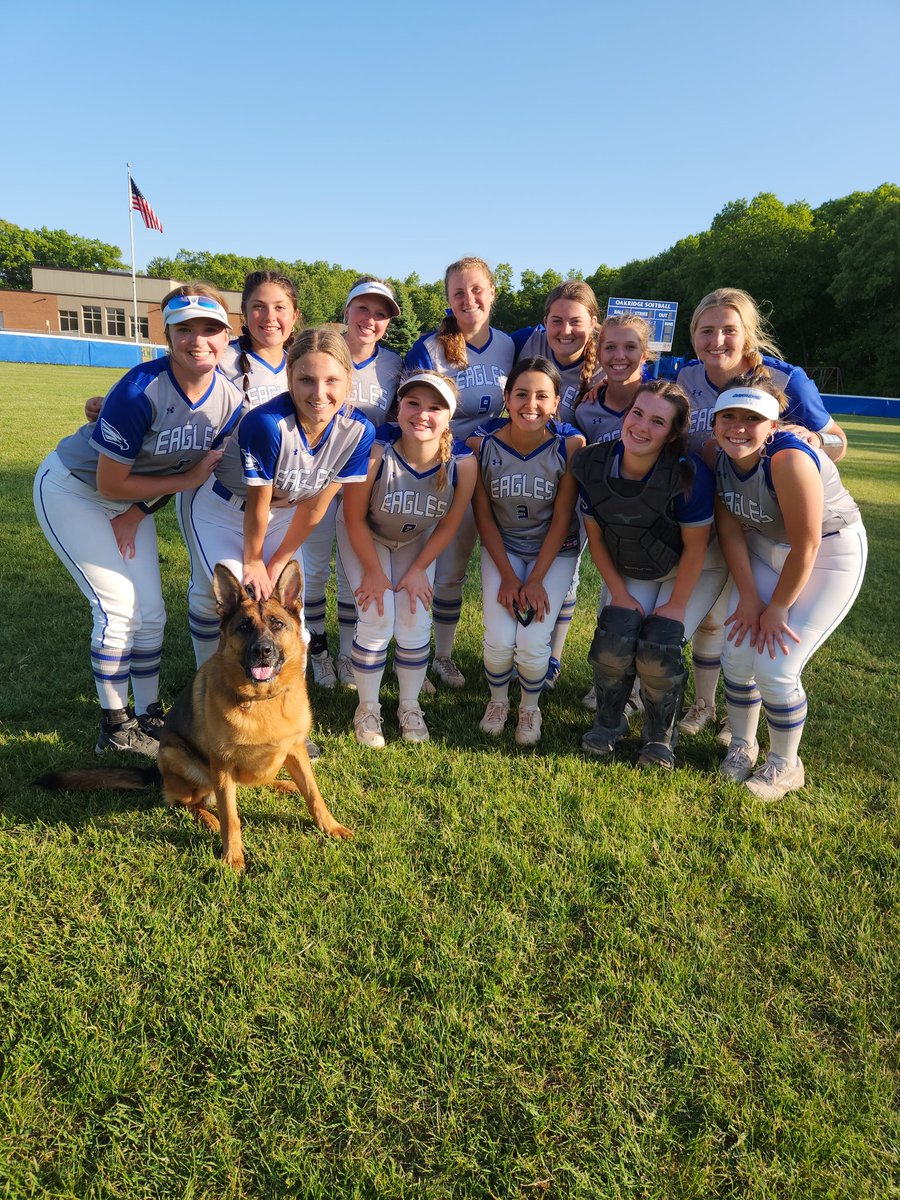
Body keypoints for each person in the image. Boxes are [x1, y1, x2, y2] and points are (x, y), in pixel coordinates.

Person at [34, 285, 242, 755]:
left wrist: (138, 511)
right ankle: (114, 727)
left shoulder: (229, 400)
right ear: (167, 335)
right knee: (117, 608)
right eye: (184, 329)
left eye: (210, 328)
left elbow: (173, 468)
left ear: (226, 335)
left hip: (132, 500)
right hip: (74, 490)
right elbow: (112, 483)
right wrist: (185, 481)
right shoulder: (139, 390)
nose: (198, 340)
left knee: (151, 612)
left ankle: (148, 715)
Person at [676, 287, 848, 744]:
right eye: (706, 330)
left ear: (748, 334)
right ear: (693, 335)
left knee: (735, 621)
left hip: (764, 519)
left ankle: (738, 721)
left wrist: (814, 441)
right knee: (717, 617)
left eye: (729, 330)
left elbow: (839, 440)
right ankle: (706, 704)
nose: (716, 340)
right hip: (712, 510)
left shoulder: (786, 380)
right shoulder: (686, 376)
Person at [178, 327, 375, 670]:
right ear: (290, 376)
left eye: (332, 380)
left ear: (348, 380)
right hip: (223, 514)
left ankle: (290, 696)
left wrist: (279, 560)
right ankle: (207, 682)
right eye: (307, 380)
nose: (319, 393)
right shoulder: (268, 423)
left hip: (283, 517)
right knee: (242, 605)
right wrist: (255, 561)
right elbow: (258, 502)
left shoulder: (359, 431)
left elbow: (315, 505)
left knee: (290, 616)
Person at [710, 382, 866, 799]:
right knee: (736, 652)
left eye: (752, 419)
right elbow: (730, 531)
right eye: (729, 417)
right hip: (765, 545)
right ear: (714, 422)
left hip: (829, 551)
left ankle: (785, 764)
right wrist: (748, 597)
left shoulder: (788, 458)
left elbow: (807, 544)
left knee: (776, 666)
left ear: (773, 426)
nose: (738, 428)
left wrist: (778, 606)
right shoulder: (717, 455)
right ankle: (743, 744)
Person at [571, 379, 727, 768]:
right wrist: (619, 594)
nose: (641, 426)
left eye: (657, 422)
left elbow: (695, 549)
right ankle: (609, 721)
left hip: (693, 567)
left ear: (673, 434)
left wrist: (677, 605)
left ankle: (659, 736)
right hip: (637, 562)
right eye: (637, 413)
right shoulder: (594, 463)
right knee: (615, 636)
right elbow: (596, 536)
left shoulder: (687, 474)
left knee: (660, 643)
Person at [336, 371, 476, 747]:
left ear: (449, 417)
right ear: (398, 408)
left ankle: (409, 706)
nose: (422, 414)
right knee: (377, 614)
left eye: (435, 407)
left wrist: (418, 570)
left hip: (416, 539)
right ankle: (368, 708)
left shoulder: (462, 463)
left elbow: (448, 525)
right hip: (365, 533)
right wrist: (372, 571)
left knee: (415, 614)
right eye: (413, 403)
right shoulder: (376, 452)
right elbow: (353, 517)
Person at [405, 257, 516, 688]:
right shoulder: (430, 349)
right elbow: (408, 413)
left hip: (484, 473)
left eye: (476, 290)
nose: (468, 299)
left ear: (492, 293)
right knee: (423, 565)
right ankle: (411, 650)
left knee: (453, 571)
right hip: (434, 471)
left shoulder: (510, 344)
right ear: (448, 300)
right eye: (458, 292)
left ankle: (443, 655)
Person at [468, 357, 584, 747]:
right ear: (506, 398)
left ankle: (529, 706)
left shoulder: (569, 446)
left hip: (555, 552)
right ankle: (498, 701)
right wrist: (508, 576)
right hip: (504, 548)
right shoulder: (482, 445)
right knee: (500, 638)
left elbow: (562, 519)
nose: (530, 404)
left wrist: (534, 581)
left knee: (533, 641)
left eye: (541, 396)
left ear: (556, 403)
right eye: (521, 394)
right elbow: (484, 517)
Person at [304, 277, 403, 689]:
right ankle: (317, 652)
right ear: (347, 311)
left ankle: (347, 654)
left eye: (381, 314)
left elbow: (398, 420)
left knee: (351, 574)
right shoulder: (322, 349)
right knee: (312, 572)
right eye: (363, 308)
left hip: (362, 484)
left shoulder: (394, 364)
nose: (370, 319)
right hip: (312, 478)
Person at [573, 313, 655, 704]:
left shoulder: (662, 398)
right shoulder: (587, 407)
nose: (619, 355)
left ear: (645, 353)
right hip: (608, 519)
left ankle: (635, 688)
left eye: (630, 347)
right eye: (610, 347)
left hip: (655, 520)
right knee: (612, 599)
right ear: (599, 352)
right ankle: (609, 681)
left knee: (644, 604)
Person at [512, 280, 604, 424]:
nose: (566, 331)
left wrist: (616, 385)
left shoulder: (608, 361)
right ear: (545, 321)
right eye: (557, 321)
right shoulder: (527, 341)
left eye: (575, 321)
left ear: (592, 323)